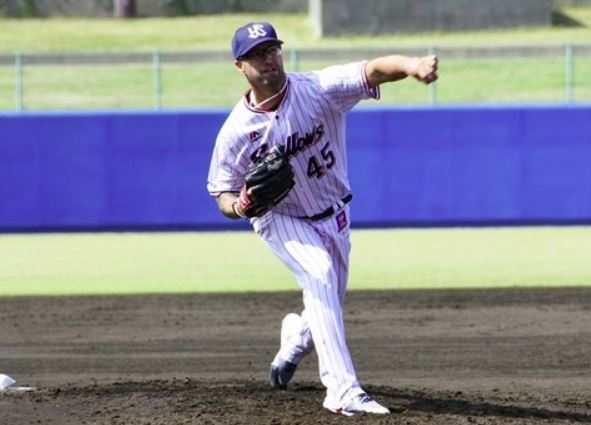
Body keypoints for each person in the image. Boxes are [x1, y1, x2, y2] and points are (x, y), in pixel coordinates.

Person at [207, 21, 438, 416]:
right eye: (256, 55)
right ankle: (342, 391)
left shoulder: (318, 88)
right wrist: (241, 205)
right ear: (239, 66)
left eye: (272, 49)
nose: (267, 59)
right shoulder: (236, 132)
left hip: (336, 215)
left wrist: (412, 65)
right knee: (319, 273)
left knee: (327, 297)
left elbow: (373, 70)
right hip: (281, 218)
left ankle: (296, 338)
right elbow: (222, 194)